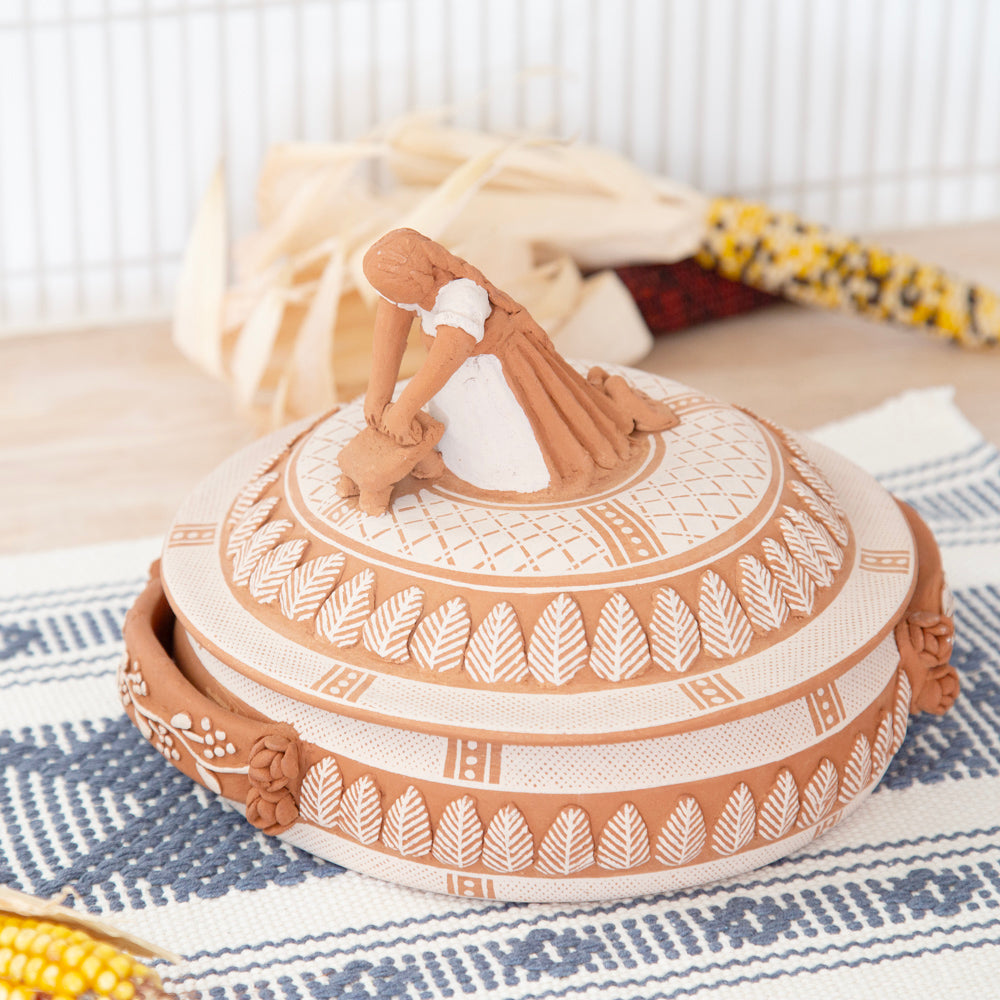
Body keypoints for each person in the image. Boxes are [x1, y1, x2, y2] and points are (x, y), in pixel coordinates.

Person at [357, 228, 677, 496]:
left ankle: (613, 406)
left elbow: (448, 356)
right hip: (457, 390)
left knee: (512, 462)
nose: (394, 300)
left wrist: (404, 408)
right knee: (461, 442)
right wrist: (378, 393)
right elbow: (390, 328)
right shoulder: (410, 284)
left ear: (415, 278)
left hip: (503, 383)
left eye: (393, 291)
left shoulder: (463, 297)